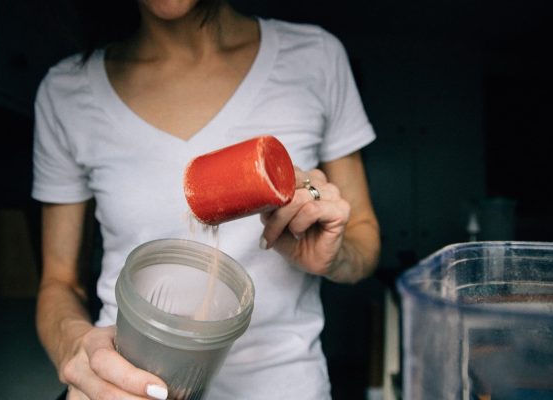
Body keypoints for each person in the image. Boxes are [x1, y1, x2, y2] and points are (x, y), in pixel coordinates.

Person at [32, 0, 380, 398]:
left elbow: (364, 239)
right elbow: (58, 283)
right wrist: (77, 346)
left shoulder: (316, 58)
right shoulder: (66, 92)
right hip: (129, 386)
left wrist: (336, 255)